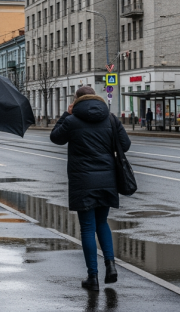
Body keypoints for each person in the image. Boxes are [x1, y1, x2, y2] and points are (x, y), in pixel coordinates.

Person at [49, 86, 131, 291]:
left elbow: (55, 137)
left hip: (83, 181)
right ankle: (110, 266)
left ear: (76, 100)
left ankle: (92, 277)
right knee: (102, 222)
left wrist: (65, 114)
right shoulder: (110, 118)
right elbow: (125, 145)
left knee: (87, 227)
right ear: (95, 97)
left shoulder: (72, 120)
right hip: (107, 179)